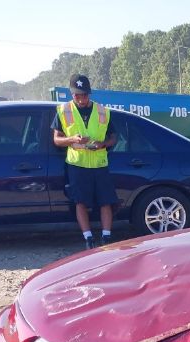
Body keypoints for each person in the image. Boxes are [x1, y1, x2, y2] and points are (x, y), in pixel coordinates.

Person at [52, 74, 118, 249]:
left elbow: (113, 137)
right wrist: (72, 139)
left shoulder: (103, 111)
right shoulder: (63, 111)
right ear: (71, 94)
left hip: (99, 164)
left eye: (84, 95)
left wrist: (102, 144)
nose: (81, 99)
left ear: (89, 93)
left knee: (106, 201)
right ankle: (88, 238)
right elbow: (57, 140)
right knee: (80, 202)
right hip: (77, 165)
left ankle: (106, 237)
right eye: (77, 95)